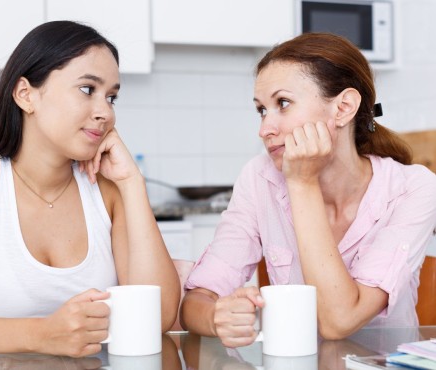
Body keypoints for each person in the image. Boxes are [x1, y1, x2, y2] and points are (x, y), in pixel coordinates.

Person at [0, 20, 180, 357]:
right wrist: (42, 334)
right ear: (26, 94)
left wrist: (132, 183)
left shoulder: (107, 189)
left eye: (111, 97)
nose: (105, 112)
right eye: (87, 89)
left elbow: (159, 317)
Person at [180, 32, 436, 347]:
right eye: (261, 109)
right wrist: (216, 317)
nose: (264, 129)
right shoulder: (260, 178)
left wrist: (302, 182)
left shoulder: (413, 187)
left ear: (343, 108)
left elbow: (339, 320)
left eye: (282, 103)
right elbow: (195, 302)